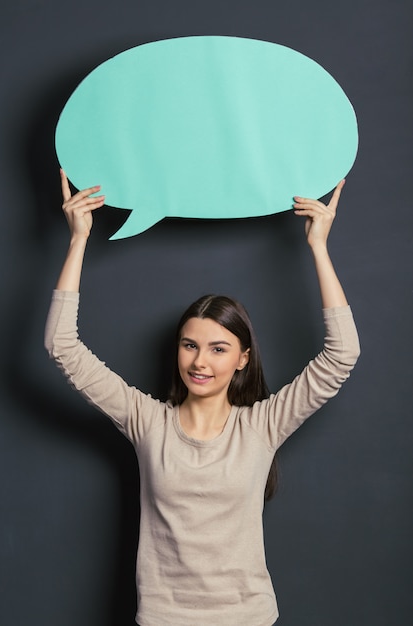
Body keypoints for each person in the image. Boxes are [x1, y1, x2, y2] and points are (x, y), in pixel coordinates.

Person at [45, 169, 360, 626]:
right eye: (190, 345)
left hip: (247, 616)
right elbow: (62, 345)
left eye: (218, 349)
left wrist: (318, 247)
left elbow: (342, 355)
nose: (200, 362)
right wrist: (78, 241)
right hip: (163, 617)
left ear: (242, 359)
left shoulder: (262, 425)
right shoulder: (146, 420)